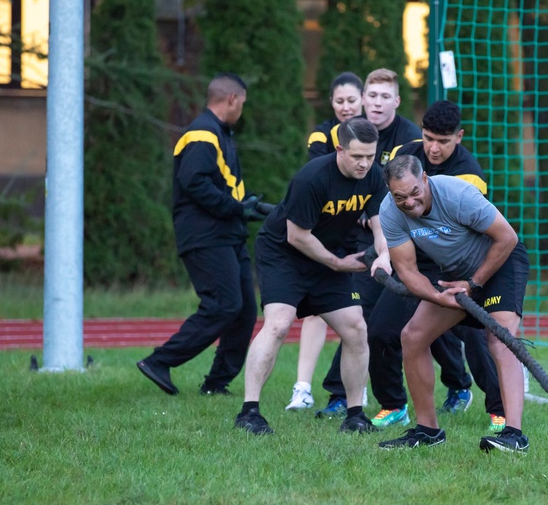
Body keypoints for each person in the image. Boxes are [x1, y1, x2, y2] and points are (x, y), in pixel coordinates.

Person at [234, 118, 390, 435]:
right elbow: (297, 236)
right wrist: (337, 263)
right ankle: (249, 412)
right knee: (278, 323)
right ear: (339, 149)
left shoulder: (373, 176)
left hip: (329, 255)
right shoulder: (313, 178)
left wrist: (384, 255)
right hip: (284, 254)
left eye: (370, 156)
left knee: (357, 328)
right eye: (357, 156)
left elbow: (379, 223)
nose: (364, 164)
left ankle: (355, 415)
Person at [368, 100, 506, 434]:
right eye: (428, 137)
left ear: (458, 137)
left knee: (479, 336)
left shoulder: (469, 175)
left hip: (461, 263)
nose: (433, 147)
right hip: (415, 260)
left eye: (443, 141)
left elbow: (481, 236)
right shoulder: (407, 154)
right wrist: (385, 253)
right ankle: (394, 405)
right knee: (382, 331)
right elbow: (389, 205)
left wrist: (469, 284)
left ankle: (499, 410)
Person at [376, 155, 530, 453]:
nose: (409, 202)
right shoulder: (389, 212)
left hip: (499, 264)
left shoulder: (458, 194)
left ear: (425, 179)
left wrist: (474, 283)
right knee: (412, 337)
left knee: (499, 339)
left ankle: (514, 435)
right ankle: (428, 431)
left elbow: (507, 237)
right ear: (389, 190)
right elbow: (407, 271)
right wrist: (438, 296)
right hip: (455, 278)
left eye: (414, 193)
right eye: (400, 196)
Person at [137, 73, 264, 397]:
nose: (242, 110)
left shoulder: (219, 133)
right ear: (232, 99)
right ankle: (159, 361)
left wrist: (245, 207)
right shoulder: (201, 134)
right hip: (206, 236)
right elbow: (195, 183)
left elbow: (221, 184)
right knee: (224, 304)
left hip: (227, 235)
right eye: (243, 104)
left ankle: (216, 383)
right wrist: (237, 208)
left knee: (245, 309)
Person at [311, 67, 425, 418]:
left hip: (406, 239)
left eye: (383, 96)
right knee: (360, 315)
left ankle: (460, 385)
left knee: (434, 323)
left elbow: (406, 189)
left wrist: (376, 209)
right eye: (371, 96)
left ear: (397, 101)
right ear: (363, 100)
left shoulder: (410, 138)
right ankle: (341, 395)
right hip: (366, 241)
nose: (376, 103)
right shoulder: (353, 132)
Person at [286, 72, 365, 411]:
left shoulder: (373, 133)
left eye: (351, 100)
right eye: (339, 101)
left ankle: (354, 394)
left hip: (361, 237)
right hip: (329, 233)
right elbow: (326, 180)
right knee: (317, 312)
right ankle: (302, 389)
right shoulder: (321, 135)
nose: (346, 107)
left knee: (362, 317)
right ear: (331, 103)